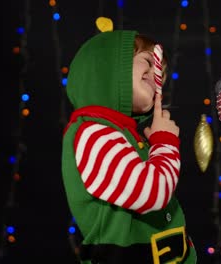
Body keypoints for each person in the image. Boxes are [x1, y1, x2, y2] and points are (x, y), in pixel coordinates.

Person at [61, 30, 197, 264]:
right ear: (107, 66)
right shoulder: (93, 133)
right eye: (148, 63)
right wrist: (164, 142)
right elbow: (151, 193)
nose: (156, 79)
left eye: (160, 79)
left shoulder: (125, 134)